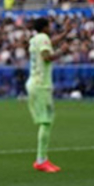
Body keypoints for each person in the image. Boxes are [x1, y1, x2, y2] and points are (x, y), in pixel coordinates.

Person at [25, 17, 70, 173]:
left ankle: (42, 159)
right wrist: (62, 52)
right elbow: (46, 56)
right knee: (46, 122)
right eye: (49, 26)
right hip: (41, 85)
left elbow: (50, 42)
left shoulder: (35, 39)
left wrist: (65, 33)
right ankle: (41, 160)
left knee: (46, 122)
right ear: (45, 27)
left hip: (33, 82)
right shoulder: (43, 38)